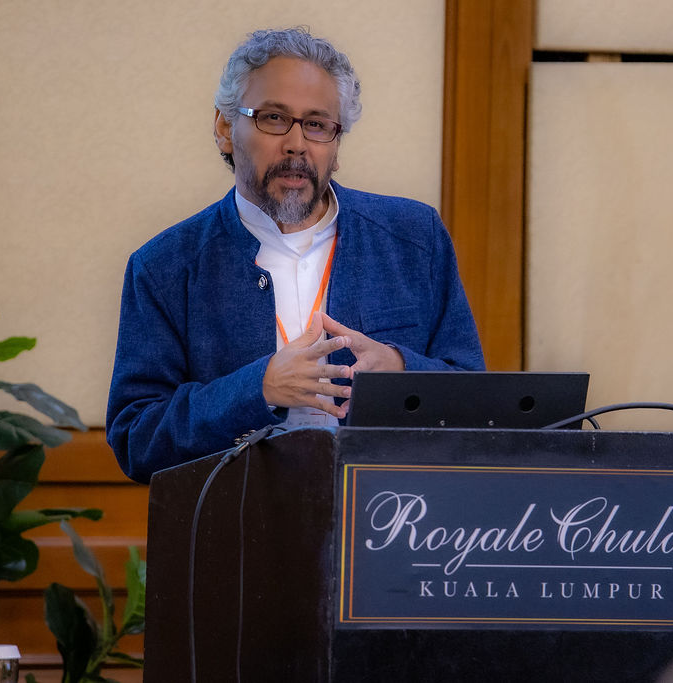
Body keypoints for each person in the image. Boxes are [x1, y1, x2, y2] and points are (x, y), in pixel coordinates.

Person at [106, 28, 484, 483]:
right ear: (225, 128)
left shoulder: (413, 238)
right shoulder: (164, 266)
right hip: (239, 520)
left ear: (336, 145)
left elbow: (477, 399)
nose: (297, 144)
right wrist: (258, 389)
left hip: (390, 514)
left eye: (317, 125)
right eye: (274, 118)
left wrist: (401, 370)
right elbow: (137, 439)